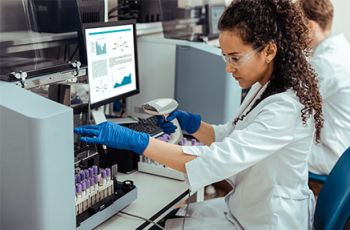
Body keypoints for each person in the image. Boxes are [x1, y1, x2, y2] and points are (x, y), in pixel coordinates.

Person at [75, 0, 323, 229]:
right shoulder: (266, 85)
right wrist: (192, 124)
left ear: (269, 51)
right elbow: (232, 135)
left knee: (156, 223)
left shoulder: (286, 107)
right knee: (166, 221)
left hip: (269, 221)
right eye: (225, 57)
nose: (228, 68)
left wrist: (137, 141)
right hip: (247, 209)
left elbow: (216, 160)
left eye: (235, 58)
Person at [299, 0, 350, 175]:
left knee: (275, 149)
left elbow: (292, 102)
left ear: (310, 26)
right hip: (342, 147)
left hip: (333, 155)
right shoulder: (341, 50)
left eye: (296, 25)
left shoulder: (327, 64)